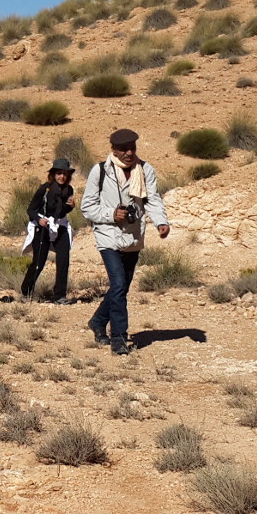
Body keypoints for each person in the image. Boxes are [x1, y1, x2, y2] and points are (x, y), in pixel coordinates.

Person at [80, 129, 170, 355]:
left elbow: (152, 200)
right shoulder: (100, 171)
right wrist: (111, 214)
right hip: (108, 235)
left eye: (132, 148)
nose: (129, 153)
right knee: (119, 284)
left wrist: (161, 221)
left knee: (122, 286)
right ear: (113, 150)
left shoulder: (145, 169)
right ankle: (118, 338)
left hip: (133, 236)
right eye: (123, 149)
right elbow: (87, 207)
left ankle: (98, 321)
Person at [20, 159, 77, 302]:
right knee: (39, 262)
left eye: (64, 174)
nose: (61, 177)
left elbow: (62, 210)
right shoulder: (45, 189)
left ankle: (60, 295)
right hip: (43, 228)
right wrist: (39, 219)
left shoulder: (69, 190)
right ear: (53, 174)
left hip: (61, 226)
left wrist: (71, 206)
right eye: (59, 173)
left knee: (63, 260)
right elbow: (31, 209)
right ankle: (26, 292)